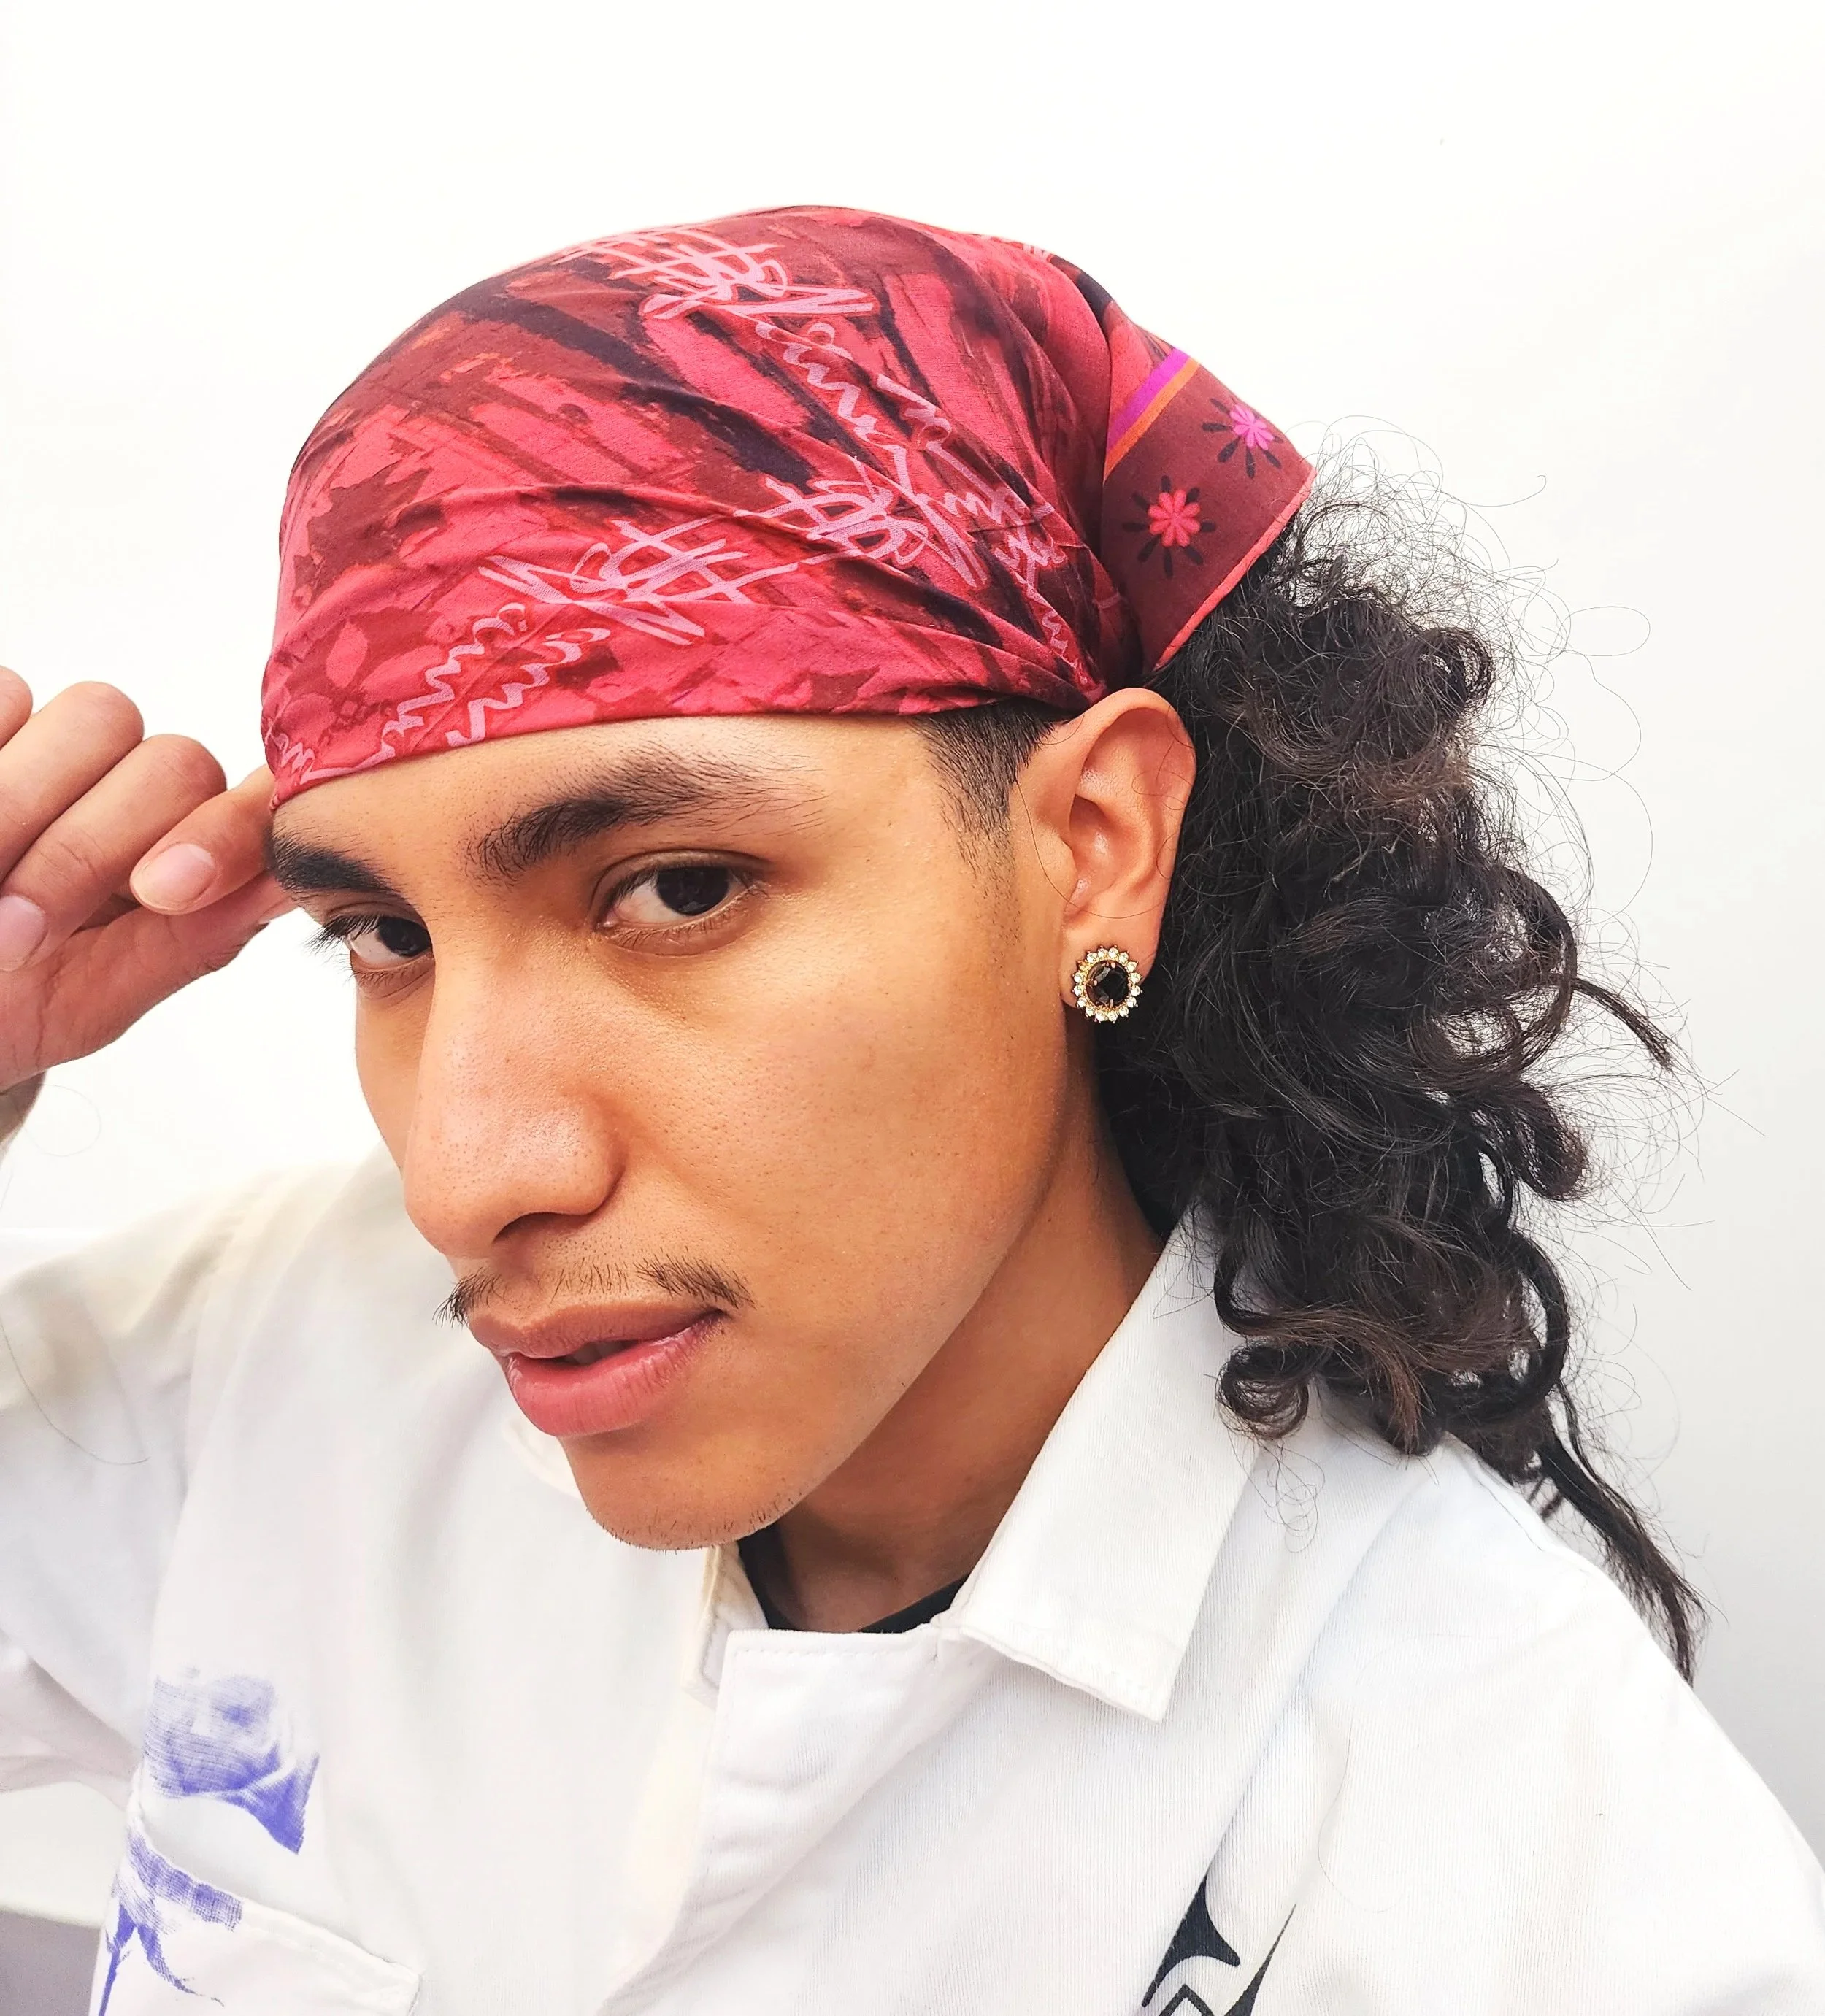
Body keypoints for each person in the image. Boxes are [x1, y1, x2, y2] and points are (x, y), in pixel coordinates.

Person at [0, 207, 1818, 2015]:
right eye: (383, 934)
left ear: (1093, 849)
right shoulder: (268, 1374)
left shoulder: (1527, 1881)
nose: (468, 1177)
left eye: (679, 888)